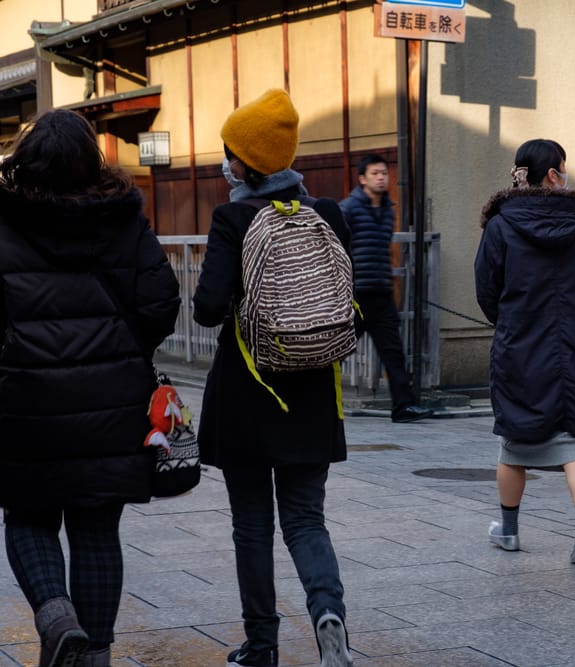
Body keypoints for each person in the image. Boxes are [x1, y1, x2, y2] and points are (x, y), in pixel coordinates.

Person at [0, 109, 180, 667]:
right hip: (113, 402)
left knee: (28, 516)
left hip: (23, 403)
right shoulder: (124, 220)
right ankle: (94, 655)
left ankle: (56, 620)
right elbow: (161, 306)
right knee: (98, 527)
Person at [193, 89, 354, 667]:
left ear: (243, 161)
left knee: (252, 527)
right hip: (312, 389)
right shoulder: (328, 213)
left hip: (247, 394)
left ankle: (261, 645)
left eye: (229, 152)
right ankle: (328, 612)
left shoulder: (233, 217)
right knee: (306, 518)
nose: (225, 160)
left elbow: (208, 307)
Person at [474, 139, 575, 564]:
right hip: (573, 345)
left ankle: (509, 530)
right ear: (554, 174)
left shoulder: (501, 225)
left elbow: (487, 288)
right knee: (573, 443)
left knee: (514, 443)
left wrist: (507, 321)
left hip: (520, 345)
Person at [339, 155, 434, 423]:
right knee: (336, 349)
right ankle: (311, 398)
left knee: (393, 353)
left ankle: (403, 407)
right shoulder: (347, 208)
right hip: (355, 295)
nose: (381, 177)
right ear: (362, 179)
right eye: (375, 173)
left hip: (380, 292)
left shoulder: (387, 209)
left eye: (384, 173)